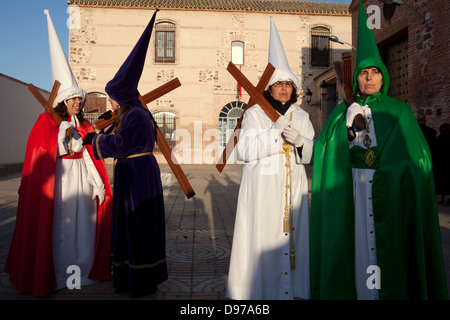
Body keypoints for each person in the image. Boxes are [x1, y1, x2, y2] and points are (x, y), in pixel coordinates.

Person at [310, 0, 448, 300]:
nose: (369, 77)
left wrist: (390, 172)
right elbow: (325, 155)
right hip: (352, 192)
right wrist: (345, 131)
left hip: (391, 193)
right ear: (357, 78)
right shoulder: (339, 113)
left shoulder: (400, 112)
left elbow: (417, 160)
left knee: (388, 251)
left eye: (375, 71)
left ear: (384, 76)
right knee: (356, 248)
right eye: (364, 73)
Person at [4, 10, 113, 297]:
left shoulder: (84, 122)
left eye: (80, 97)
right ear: (64, 100)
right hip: (61, 180)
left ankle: (84, 271)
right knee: (62, 228)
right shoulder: (46, 122)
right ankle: (61, 274)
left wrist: (98, 182)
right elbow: (40, 154)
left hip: (82, 179)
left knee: (84, 225)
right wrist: (62, 138)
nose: (79, 101)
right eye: (74, 98)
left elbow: (90, 151)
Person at [226, 17, 315, 300]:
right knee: (263, 239)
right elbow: (244, 150)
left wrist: (302, 142)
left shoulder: (302, 115)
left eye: (289, 84)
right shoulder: (254, 114)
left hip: (293, 191)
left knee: (294, 240)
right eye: (279, 84)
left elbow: (310, 154)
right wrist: (275, 133)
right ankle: (260, 292)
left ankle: (294, 290)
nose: (284, 89)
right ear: (270, 88)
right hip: (263, 191)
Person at [83, 10, 168, 299]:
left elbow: (121, 146)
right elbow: (118, 139)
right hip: (134, 175)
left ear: (122, 95)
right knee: (130, 226)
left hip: (139, 177)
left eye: (112, 96)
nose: (110, 101)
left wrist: (94, 139)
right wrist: (103, 133)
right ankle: (130, 277)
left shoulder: (136, 116)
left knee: (139, 226)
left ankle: (143, 282)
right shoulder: (131, 114)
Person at [435, 123, 450, 207]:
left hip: (440, 164)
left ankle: (442, 198)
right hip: (448, 164)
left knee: (442, 181)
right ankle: (448, 199)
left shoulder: (437, 140)